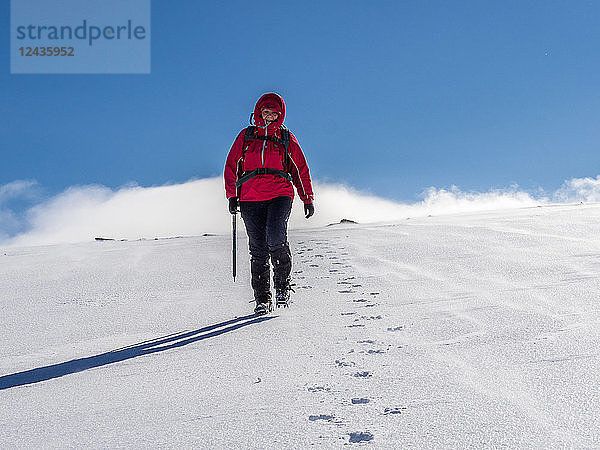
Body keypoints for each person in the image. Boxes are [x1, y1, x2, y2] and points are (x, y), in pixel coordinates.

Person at [224, 93, 315, 315]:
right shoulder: (246, 136)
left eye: (275, 113)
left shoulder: (286, 138)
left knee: (276, 238)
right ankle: (262, 299)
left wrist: (307, 198)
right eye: (266, 111)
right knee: (258, 249)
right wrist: (232, 195)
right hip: (250, 197)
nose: (270, 116)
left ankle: (282, 287)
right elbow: (231, 165)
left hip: (279, 194)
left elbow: (300, 169)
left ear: (280, 115)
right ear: (259, 111)